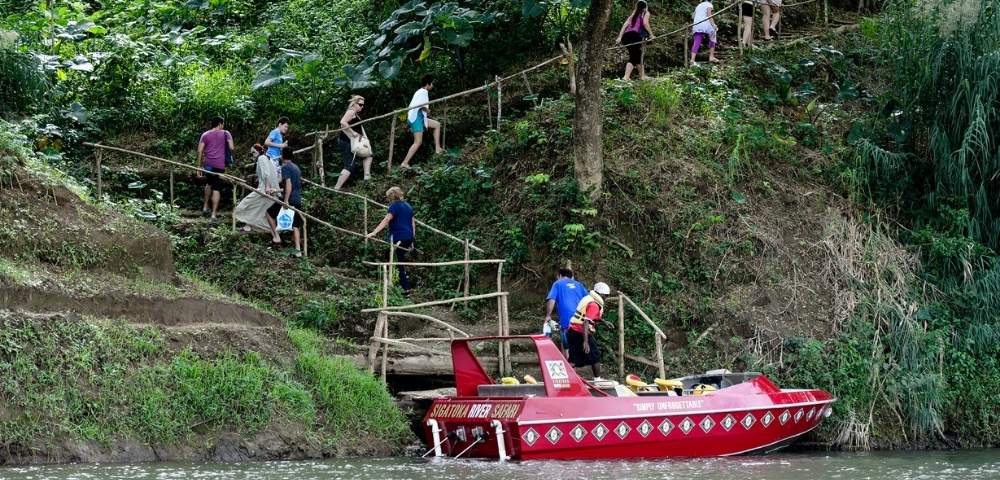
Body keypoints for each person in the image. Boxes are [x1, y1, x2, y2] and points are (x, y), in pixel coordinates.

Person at [367, 187, 416, 295]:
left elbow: (386, 219)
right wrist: (412, 240)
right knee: (393, 256)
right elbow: (412, 224)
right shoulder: (408, 206)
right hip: (408, 237)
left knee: (398, 261)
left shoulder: (394, 206)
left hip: (398, 237)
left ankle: (405, 288)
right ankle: (396, 282)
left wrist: (374, 232)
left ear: (392, 197)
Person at [567, 281, 611, 378]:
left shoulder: (589, 298)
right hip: (580, 332)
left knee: (575, 360)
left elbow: (590, 316)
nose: (606, 298)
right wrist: (585, 341)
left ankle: (563, 378)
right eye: (605, 296)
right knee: (595, 356)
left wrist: (604, 322)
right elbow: (586, 321)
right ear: (600, 294)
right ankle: (597, 380)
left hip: (572, 331)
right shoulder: (594, 304)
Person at [266, 148, 304, 257]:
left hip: (290, 199)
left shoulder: (285, 167)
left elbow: (288, 184)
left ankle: (277, 237)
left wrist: (286, 201)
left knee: (269, 213)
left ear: (283, 156)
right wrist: (276, 190)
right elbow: (295, 185)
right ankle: (298, 251)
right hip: (297, 199)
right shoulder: (296, 168)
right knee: (295, 225)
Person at [235, 144, 281, 233]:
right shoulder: (267, 158)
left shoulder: (261, 158)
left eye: (254, 152)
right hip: (270, 189)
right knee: (258, 209)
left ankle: (249, 225)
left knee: (245, 204)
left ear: (259, 151)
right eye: (251, 153)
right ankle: (248, 226)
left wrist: (267, 187)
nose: (253, 154)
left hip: (265, 189)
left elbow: (266, 173)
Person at [400, 75, 444, 169]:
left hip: (418, 117)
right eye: (432, 83)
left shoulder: (419, 91)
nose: (432, 85)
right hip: (416, 118)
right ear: (428, 84)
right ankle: (405, 162)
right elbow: (421, 105)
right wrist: (427, 110)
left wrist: (425, 110)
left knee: (437, 125)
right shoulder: (423, 92)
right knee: (418, 142)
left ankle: (437, 148)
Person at [196, 116, 235, 222]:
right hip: (219, 165)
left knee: (209, 183)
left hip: (208, 164)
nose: (223, 126)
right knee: (217, 188)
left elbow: (200, 151)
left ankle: (205, 207)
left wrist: (198, 167)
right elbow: (232, 148)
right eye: (223, 124)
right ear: (220, 124)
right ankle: (213, 215)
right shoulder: (226, 133)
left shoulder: (205, 134)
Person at [545, 267, 588, 354]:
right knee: (580, 342)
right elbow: (588, 299)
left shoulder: (557, 284)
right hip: (581, 318)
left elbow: (552, 299)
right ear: (571, 277)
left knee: (567, 345)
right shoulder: (579, 285)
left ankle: (568, 364)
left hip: (567, 317)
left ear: (560, 275)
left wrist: (548, 315)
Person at [335, 95, 373, 191]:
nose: (362, 107)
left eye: (363, 105)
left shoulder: (355, 113)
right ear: (354, 104)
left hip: (352, 141)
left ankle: (367, 177)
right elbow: (343, 122)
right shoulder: (351, 111)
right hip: (347, 141)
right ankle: (336, 188)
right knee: (349, 166)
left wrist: (363, 137)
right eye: (360, 104)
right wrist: (354, 133)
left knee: (368, 154)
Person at [615, 0, 654, 81]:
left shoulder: (633, 14)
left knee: (636, 55)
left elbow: (625, 25)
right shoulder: (645, 12)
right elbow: (645, 23)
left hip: (625, 37)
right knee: (634, 56)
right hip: (634, 36)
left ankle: (642, 76)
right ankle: (626, 77)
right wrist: (651, 34)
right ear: (645, 6)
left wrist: (619, 37)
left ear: (636, 6)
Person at [690, 1, 720, 65]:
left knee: (697, 41)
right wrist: (714, 25)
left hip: (696, 25)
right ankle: (711, 56)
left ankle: (692, 60)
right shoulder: (709, 4)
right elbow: (709, 15)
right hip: (705, 25)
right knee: (713, 33)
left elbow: (693, 16)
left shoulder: (699, 5)